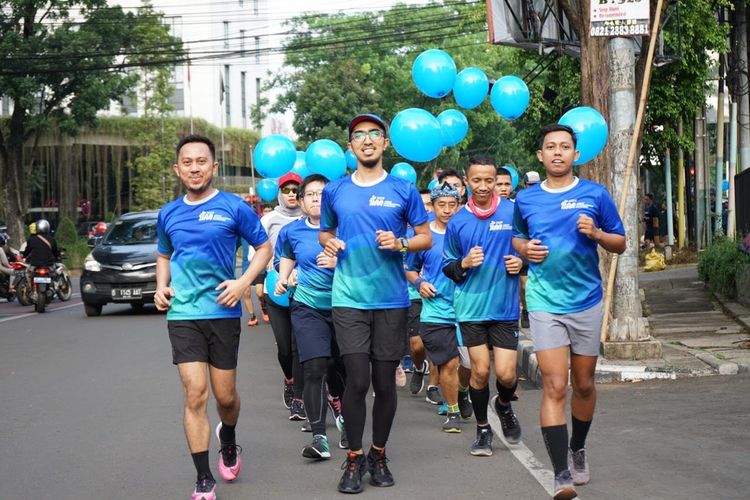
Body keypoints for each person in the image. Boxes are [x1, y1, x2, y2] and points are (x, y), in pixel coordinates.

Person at [154, 134, 272, 500]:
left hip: (222, 312)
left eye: (201, 161)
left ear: (213, 167)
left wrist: (243, 283)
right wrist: (161, 287)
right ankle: (203, 478)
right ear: (178, 169)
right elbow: (163, 253)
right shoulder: (168, 213)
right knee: (195, 394)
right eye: (187, 162)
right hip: (184, 314)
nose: (194, 168)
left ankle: (230, 436)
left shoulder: (234, 208)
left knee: (225, 397)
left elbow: (264, 247)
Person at [513, 124, 625, 500]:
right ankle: (561, 474)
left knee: (584, 383)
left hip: (587, 301)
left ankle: (578, 447)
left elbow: (620, 242)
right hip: (545, 302)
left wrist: (595, 234)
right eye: (550, 147)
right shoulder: (526, 200)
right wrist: (526, 251)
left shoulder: (595, 194)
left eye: (565, 147)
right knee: (554, 385)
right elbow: (516, 237)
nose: (557, 152)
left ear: (576, 155)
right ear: (540, 155)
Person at [320, 113, 431, 494]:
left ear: (385, 144)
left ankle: (378, 454)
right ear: (350, 146)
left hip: (391, 300)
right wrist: (328, 243)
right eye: (358, 135)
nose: (366, 140)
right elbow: (324, 232)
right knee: (358, 381)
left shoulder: (404, 189)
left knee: (384, 384)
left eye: (374, 135)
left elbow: (424, 238)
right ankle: (353, 458)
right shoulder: (335, 191)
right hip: (348, 298)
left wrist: (400, 243)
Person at [442, 155, 524, 457]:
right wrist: (463, 263)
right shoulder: (458, 221)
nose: (483, 186)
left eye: (489, 180)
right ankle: (482, 430)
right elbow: (447, 266)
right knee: (480, 371)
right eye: (476, 180)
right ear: (466, 180)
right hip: (471, 308)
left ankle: (503, 406)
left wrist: (522, 262)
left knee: (506, 375)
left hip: (504, 306)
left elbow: (529, 248)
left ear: (499, 181)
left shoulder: (513, 212)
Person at [275, 173, 348, 458]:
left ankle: (342, 411)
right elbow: (286, 255)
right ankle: (320, 437)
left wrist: (338, 260)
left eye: (322, 193)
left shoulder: (345, 228)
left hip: (345, 306)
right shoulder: (291, 231)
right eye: (311, 194)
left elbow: (365, 261)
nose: (317, 198)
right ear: (302, 202)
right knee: (314, 366)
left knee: (340, 368)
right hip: (306, 306)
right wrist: (283, 277)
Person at [406, 182, 469, 433]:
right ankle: (452, 411)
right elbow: (409, 269)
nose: (447, 210)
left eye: (452, 205)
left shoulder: (466, 231)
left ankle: (462, 391)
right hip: (435, 309)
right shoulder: (424, 237)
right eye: (441, 205)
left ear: (459, 206)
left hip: (467, 308)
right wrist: (420, 283)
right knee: (449, 363)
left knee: (471, 366)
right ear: (432, 206)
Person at [261, 172, 306, 416]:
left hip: (303, 290)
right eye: (286, 190)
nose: (291, 194)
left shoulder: (310, 218)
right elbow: (255, 254)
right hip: (275, 289)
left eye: (294, 190)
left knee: (299, 345)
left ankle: (299, 397)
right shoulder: (269, 219)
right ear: (279, 193)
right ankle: (289, 379)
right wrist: (265, 273)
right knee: (285, 349)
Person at [22, 219, 61, 286]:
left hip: (35, 264)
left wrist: (24, 256)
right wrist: (57, 257)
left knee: (28, 274)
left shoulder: (32, 239)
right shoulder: (52, 240)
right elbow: (55, 252)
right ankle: (55, 285)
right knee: (55, 274)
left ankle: (30, 288)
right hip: (48, 264)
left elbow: (27, 251)